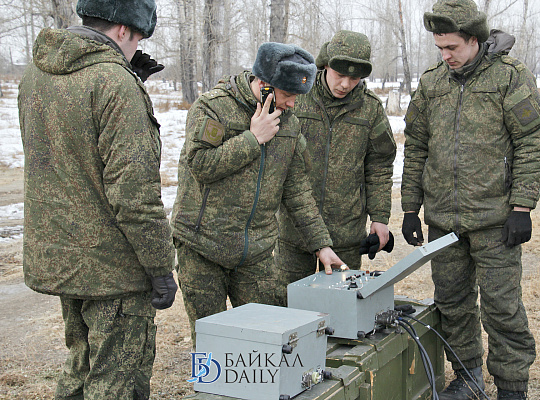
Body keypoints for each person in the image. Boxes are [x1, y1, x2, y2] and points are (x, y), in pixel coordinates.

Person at [18, 0, 177, 398]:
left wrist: (126, 78)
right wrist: (161, 267)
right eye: (137, 38)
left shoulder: (38, 73)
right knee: (115, 382)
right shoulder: (113, 83)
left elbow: (66, 154)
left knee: (80, 368)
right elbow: (135, 196)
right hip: (113, 269)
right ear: (123, 29)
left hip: (63, 255)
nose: (137, 48)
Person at [400, 1, 540, 399]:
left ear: (475, 40)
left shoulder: (509, 77)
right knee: (452, 305)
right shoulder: (432, 82)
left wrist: (522, 207)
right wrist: (411, 208)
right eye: (439, 48)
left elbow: (531, 141)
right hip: (443, 222)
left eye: (452, 47)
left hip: (495, 221)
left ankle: (512, 388)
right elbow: (416, 146)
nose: (445, 56)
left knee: (503, 308)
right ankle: (467, 378)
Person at [170, 42, 345, 341]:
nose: (292, 104)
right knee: (212, 343)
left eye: (297, 96)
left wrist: (321, 245)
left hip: (256, 254)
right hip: (203, 248)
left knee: (266, 339)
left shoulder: (289, 124)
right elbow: (200, 165)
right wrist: (253, 139)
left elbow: (297, 190)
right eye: (288, 95)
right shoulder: (213, 107)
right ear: (264, 85)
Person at [275, 30, 397, 293]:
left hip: (346, 234)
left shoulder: (370, 109)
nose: (345, 84)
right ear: (325, 66)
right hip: (294, 230)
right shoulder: (297, 98)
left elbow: (379, 166)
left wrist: (379, 217)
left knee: (342, 306)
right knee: (288, 302)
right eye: (339, 75)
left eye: (354, 78)